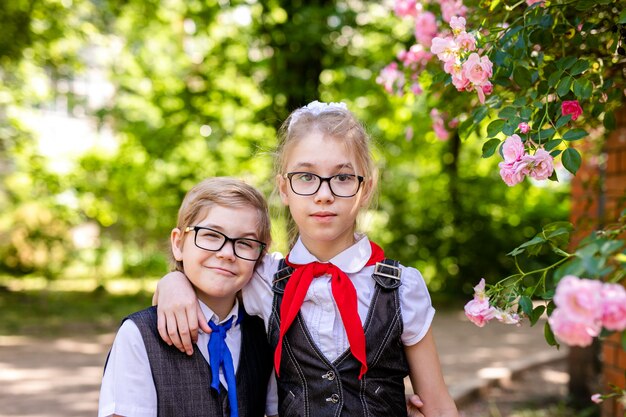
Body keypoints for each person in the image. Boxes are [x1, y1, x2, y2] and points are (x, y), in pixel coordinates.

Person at [154, 101, 459, 417]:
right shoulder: (264, 278)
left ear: (366, 188)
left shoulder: (401, 287)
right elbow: (208, 275)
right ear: (284, 188)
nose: (323, 194)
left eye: (342, 178)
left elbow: (436, 403)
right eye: (306, 177)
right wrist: (173, 281)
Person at [99, 177, 277, 417]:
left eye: (245, 243)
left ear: (260, 256)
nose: (226, 253)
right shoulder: (139, 335)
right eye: (212, 235)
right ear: (179, 244)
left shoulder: (263, 334)